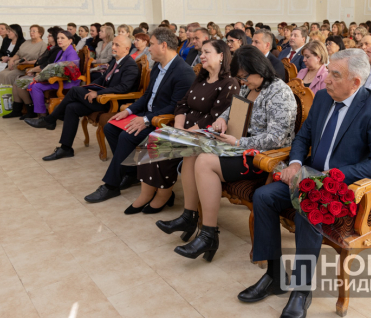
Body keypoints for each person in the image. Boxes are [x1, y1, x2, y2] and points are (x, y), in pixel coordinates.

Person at [237, 49, 371, 318]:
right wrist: (296, 163)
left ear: (355, 82)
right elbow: (303, 136)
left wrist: (332, 176)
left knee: (308, 207)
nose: (327, 79)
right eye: (328, 72)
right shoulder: (322, 97)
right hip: (308, 177)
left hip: (347, 188)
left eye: (335, 75)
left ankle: (301, 289)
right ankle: (275, 277)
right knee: (263, 196)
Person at [156, 45, 297, 262]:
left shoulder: (280, 92)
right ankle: (189, 216)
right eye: (240, 78)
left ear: (259, 69)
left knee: (205, 162)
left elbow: (276, 138)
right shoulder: (249, 87)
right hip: (238, 147)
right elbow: (231, 110)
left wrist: (240, 142)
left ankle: (208, 234)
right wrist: (222, 119)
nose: (242, 82)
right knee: (191, 150)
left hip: (261, 157)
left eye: (244, 77)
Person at [127, 40, 240, 215]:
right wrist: (179, 128)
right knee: (152, 138)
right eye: (201, 52)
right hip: (184, 129)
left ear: (221, 56)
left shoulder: (229, 83)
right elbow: (182, 104)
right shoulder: (201, 78)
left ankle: (163, 195)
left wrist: (186, 132)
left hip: (203, 134)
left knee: (163, 145)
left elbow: (215, 116)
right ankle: (146, 194)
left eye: (207, 52)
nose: (201, 56)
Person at [84, 27, 195, 203]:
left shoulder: (184, 72)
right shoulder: (158, 66)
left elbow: (175, 107)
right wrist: (127, 111)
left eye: (152, 44)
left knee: (127, 135)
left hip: (163, 121)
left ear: (164, 46)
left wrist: (146, 120)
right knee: (111, 127)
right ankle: (131, 172)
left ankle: (111, 186)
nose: (148, 49)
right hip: (148, 114)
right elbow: (146, 96)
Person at [25, 35, 140, 160]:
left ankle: (50, 119)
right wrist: (90, 88)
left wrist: (98, 93)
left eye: (117, 45)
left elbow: (123, 88)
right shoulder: (115, 61)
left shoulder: (130, 65)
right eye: (113, 44)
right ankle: (66, 148)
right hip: (103, 97)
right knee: (71, 107)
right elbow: (103, 79)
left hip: (112, 102)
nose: (113, 47)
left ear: (127, 48)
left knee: (75, 90)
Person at [26, 30, 81, 117]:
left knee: (36, 86)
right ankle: (40, 113)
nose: (59, 40)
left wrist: (48, 75)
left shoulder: (71, 52)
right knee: (31, 85)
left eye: (62, 38)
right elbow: (54, 67)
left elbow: (71, 71)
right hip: (58, 79)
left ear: (70, 40)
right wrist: (43, 74)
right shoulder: (60, 51)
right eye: (58, 38)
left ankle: (42, 115)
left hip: (67, 81)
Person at [11, 27, 63, 119]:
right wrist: (33, 69)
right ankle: (17, 110)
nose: (47, 36)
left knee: (20, 83)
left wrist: (33, 70)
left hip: (47, 76)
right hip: (40, 73)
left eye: (50, 35)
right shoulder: (51, 48)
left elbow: (47, 66)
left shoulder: (57, 50)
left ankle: (30, 110)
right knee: (16, 83)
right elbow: (39, 61)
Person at [0, 25, 48, 118]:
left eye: (34, 31)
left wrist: (27, 62)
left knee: (9, 76)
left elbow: (41, 60)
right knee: (1, 74)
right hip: (19, 64)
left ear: (40, 33)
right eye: (30, 31)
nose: (31, 33)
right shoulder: (26, 42)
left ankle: (14, 105)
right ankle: (14, 108)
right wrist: (12, 60)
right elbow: (18, 54)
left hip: (28, 67)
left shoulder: (43, 45)